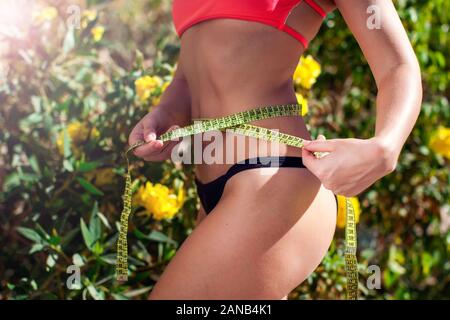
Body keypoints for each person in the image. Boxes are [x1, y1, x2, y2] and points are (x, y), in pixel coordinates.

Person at [129, 0, 422, 299]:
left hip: (272, 179)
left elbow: (397, 66)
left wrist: (386, 146)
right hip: (216, 191)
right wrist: (166, 112)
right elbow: (189, 73)